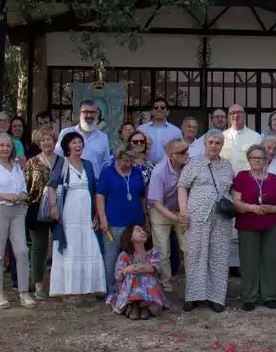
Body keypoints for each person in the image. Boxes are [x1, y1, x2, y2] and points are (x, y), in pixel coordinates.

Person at [178, 130, 235, 312]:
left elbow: (231, 190)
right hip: (197, 217)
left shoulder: (227, 166)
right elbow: (182, 186)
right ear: (205, 144)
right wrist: (184, 212)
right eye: (210, 142)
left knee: (219, 256)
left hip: (221, 218)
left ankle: (216, 297)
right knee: (195, 255)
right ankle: (193, 295)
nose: (214, 146)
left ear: (221, 145)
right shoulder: (194, 163)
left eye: (218, 143)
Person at [47, 131, 106, 297]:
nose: (78, 145)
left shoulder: (87, 165)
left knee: (89, 244)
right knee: (70, 246)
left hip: (86, 212)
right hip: (68, 211)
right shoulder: (61, 163)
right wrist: (53, 207)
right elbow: (52, 187)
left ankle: (90, 287)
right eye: (74, 142)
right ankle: (68, 289)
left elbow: (94, 191)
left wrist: (96, 214)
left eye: (80, 142)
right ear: (67, 146)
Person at [0, 134, 34, 309]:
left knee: (22, 251)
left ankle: (24, 292)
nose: (5, 148)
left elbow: (25, 191)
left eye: (8, 146)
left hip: (17, 210)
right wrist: (4, 195)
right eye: (1, 145)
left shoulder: (17, 167)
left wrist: (20, 196)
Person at [232, 144, 276, 311]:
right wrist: (253, 208)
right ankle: (249, 297)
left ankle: (268, 295)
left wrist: (272, 209)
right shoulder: (242, 177)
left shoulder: (274, 179)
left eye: (260, 157)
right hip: (248, 224)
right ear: (249, 160)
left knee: (269, 260)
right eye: (254, 157)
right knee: (249, 261)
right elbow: (236, 202)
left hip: (271, 224)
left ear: (266, 160)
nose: (257, 160)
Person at [96, 141, 149, 296]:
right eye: (125, 160)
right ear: (117, 158)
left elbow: (142, 196)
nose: (129, 164)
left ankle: (133, 289)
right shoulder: (107, 172)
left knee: (134, 256)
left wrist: (145, 216)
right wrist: (102, 218)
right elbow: (100, 196)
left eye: (131, 161)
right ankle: (112, 290)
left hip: (135, 222)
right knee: (111, 257)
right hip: (114, 221)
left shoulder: (137, 172)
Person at [24, 126, 62, 297]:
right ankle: (38, 283)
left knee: (60, 244)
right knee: (38, 246)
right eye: (43, 140)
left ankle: (59, 282)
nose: (47, 142)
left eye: (49, 139)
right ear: (39, 143)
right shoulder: (32, 162)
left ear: (55, 141)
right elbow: (25, 185)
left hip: (59, 208)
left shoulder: (62, 161)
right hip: (36, 207)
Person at [146, 140, 190, 287]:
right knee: (162, 251)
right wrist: (175, 218)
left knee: (189, 247)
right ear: (172, 155)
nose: (187, 154)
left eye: (187, 150)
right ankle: (165, 284)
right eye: (182, 152)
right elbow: (156, 203)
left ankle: (194, 283)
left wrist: (182, 215)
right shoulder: (159, 170)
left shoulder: (190, 166)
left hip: (182, 209)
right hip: (161, 210)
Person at [108, 224, 168, 319]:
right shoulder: (125, 255)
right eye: (138, 230)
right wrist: (125, 270)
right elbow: (118, 277)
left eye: (143, 230)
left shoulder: (152, 252)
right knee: (131, 273)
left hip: (149, 292)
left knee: (146, 274)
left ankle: (144, 306)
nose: (143, 232)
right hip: (130, 291)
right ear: (130, 237)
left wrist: (147, 268)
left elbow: (157, 269)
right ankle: (134, 304)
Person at [60, 101, 112, 174]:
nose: (89, 115)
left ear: (97, 114)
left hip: (95, 183)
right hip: (70, 182)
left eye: (93, 112)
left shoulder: (103, 137)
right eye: (85, 112)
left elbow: (106, 163)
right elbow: (58, 158)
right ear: (79, 114)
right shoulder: (66, 133)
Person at [139, 98, 182, 166]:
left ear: (168, 112)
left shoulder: (176, 131)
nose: (159, 109)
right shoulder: (141, 129)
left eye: (162, 107)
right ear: (151, 112)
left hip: (168, 168)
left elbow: (180, 151)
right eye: (156, 108)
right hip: (145, 167)